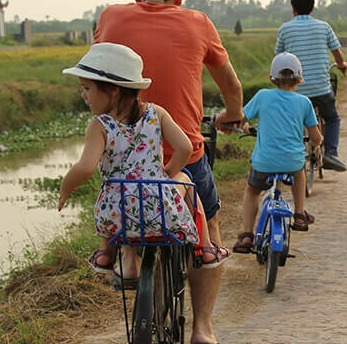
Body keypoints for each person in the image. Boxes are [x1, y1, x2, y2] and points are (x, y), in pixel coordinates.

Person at [93, 0, 244, 344]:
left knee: (123, 194)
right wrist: (233, 114)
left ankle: (128, 255)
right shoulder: (197, 22)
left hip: (122, 157)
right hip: (183, 158)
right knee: (206, 231)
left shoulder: (111, 18)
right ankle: (203, 331)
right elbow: (230, 83)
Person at [57, 43, 229, 288]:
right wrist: (167, 175)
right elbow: (185, 148)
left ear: (114, 90)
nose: (82, 94)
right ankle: (205, 247)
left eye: (87, 88)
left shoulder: (99, 126)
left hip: (115, 216)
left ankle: (108, 254)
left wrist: (66, 187)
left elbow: (85, 168)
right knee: (187, 181)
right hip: (160, 204)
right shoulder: (156, 113)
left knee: (118, 194)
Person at [231, 53, 323, 254]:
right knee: (300, 174)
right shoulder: (304, 102)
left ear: (272, 78)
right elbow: (316, 137)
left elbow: (242, 119)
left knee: (253, 190)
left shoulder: (263, 96)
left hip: (264, 163)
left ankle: (247, 234)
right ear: (299, 78)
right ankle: (299, 213)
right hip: (292, 162)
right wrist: (317, 143)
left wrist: (245, 127)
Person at [275, 0, 347, 171]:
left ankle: (290, 153)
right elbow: (337, 53)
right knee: (332, 118)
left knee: (293, 119)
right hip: (321, 89)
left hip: (295, 90)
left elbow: (279, 58)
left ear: (293, 9)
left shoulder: (285, 29)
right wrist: (342, 65)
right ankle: (331, 152)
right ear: (313, 8)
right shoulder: (324, 27)